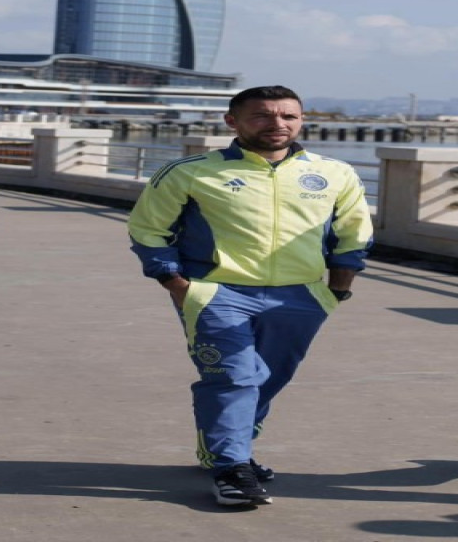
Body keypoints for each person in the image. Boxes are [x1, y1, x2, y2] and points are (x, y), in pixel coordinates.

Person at [127, 85, 372, 507]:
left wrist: (338, 289)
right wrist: (178, 284)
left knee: (269, 379)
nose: (277, 124)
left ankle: (231, 448)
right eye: (262, 115)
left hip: (303, 296)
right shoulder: (191, 171)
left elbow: (355, 232)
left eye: (288, 116)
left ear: (301, 121)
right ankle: (232, 467)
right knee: (233, 377)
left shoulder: (335, 172)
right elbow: (148, 228)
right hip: (218, 293)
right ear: (232, 122)